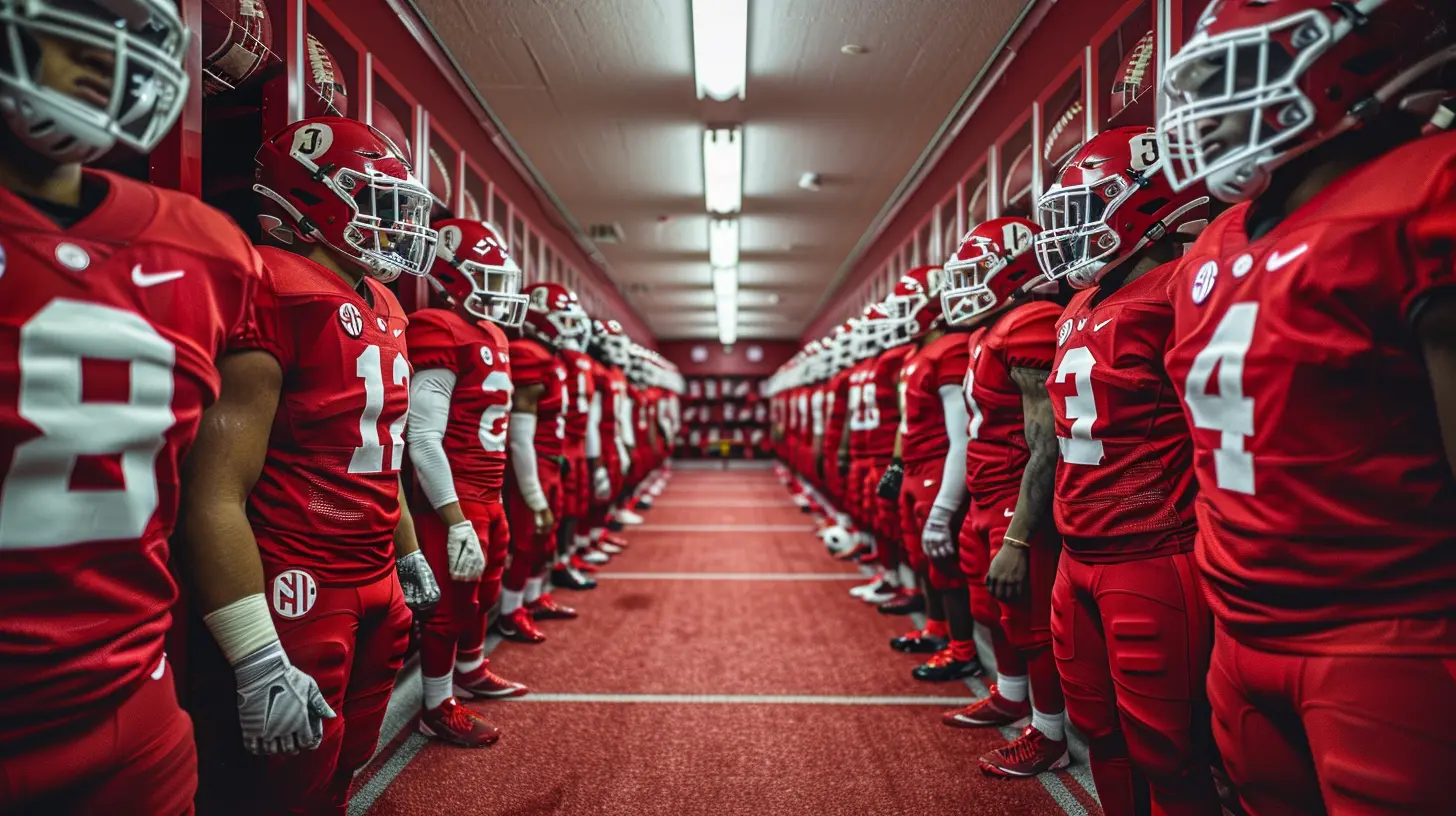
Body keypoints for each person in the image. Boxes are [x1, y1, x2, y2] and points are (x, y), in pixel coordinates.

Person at [1159, 2, 1456, 812]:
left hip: (1383, 640)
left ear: (1346, 64)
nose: (1206, 114)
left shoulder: (1422, 188)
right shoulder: (1213, 244)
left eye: (1232, 78)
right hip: (1237, 629)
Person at [0, 2, 248, 812]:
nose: (103, 50)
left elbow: (204, 484)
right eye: (70, 17)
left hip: (134, 706)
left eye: (120, 25)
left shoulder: (204, 248)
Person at [183, 116, 442, 814]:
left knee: (350, 759)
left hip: (377, 571)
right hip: (300, 579)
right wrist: (254, 652)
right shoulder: (277, 286)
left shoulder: (386, 303)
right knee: (290, 781)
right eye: (381, 203)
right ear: (313, 199)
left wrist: (408, 552)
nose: (399, 224)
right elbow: (213, 490)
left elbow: (381, 454)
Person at [1037, 126, 1220, 815]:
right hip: (1077, 550)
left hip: (1151, 549)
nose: (1069, 230)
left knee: (1168, 752)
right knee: (1098, 730)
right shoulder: (1078, 304)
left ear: (1147, 202)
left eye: (1086, 208)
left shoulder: (1181, 286)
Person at [935, 217, 1070, 777]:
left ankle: (1050, 732)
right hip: (985, 493)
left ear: (1011, 272)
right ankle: (1011, 696)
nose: (963, 288)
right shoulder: (987, 332)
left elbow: (1046, 444)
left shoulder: (1030, 323)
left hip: (1015, 495)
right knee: (994, 608)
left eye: (976, 274)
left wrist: (1017, 537)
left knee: (1030, 621)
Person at [406, 218, 531, 748]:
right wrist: (454, 518)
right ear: (453, 276)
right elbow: (421, 435)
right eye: (489, 278)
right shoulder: (438, 327)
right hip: (455, 496)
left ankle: (472, 669)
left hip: (490, 491)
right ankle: (436, 706)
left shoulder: (495, 334)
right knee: (450, 607)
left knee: (483, 595)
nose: (501, 292)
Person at [877, 265, 978, 682]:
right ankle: (936, 628)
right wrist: (898, 463)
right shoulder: (915, 356)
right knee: (922, 554)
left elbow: (961, 434)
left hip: (939, 465)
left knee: (944, 559)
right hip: (917, 466)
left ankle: (963, 648)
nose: (901, 317)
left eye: (907, 306)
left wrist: (945, 501)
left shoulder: (949, 349)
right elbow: (906, 421)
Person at [495, 281, 587, 643]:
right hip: (533, 459)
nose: (571, 328)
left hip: (551, 459)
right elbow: (520, 436)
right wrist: (533, 493)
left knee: (543, 538)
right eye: (564, 319)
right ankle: (509, 612)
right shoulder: (528, 354)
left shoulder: (551, 358)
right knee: (527, 538)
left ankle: (532, 599)